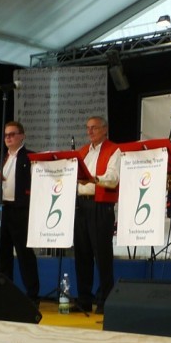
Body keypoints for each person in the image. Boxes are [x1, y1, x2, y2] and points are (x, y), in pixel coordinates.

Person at [75, 116, 121, 312]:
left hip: (100, 205)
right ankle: (84, 299)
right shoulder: (82, 151)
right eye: (88, 128)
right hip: (80, 205)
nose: (90, 131)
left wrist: (93, 179)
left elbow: (113, 178)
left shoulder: (114, 150)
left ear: (105, 129)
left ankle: (105, 300)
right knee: (82, 253)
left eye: (94, 127)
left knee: (102, 254)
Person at [0, 120, 40, 301]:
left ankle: (32, 294)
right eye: (6, 135)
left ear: (22, 136)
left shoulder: (30, 157)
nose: (8, 138)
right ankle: (5, 293)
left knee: (24, 254)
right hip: (3, 209)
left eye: (12, 134)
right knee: (3, 254)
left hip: (21, 211)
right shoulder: (2, 158)